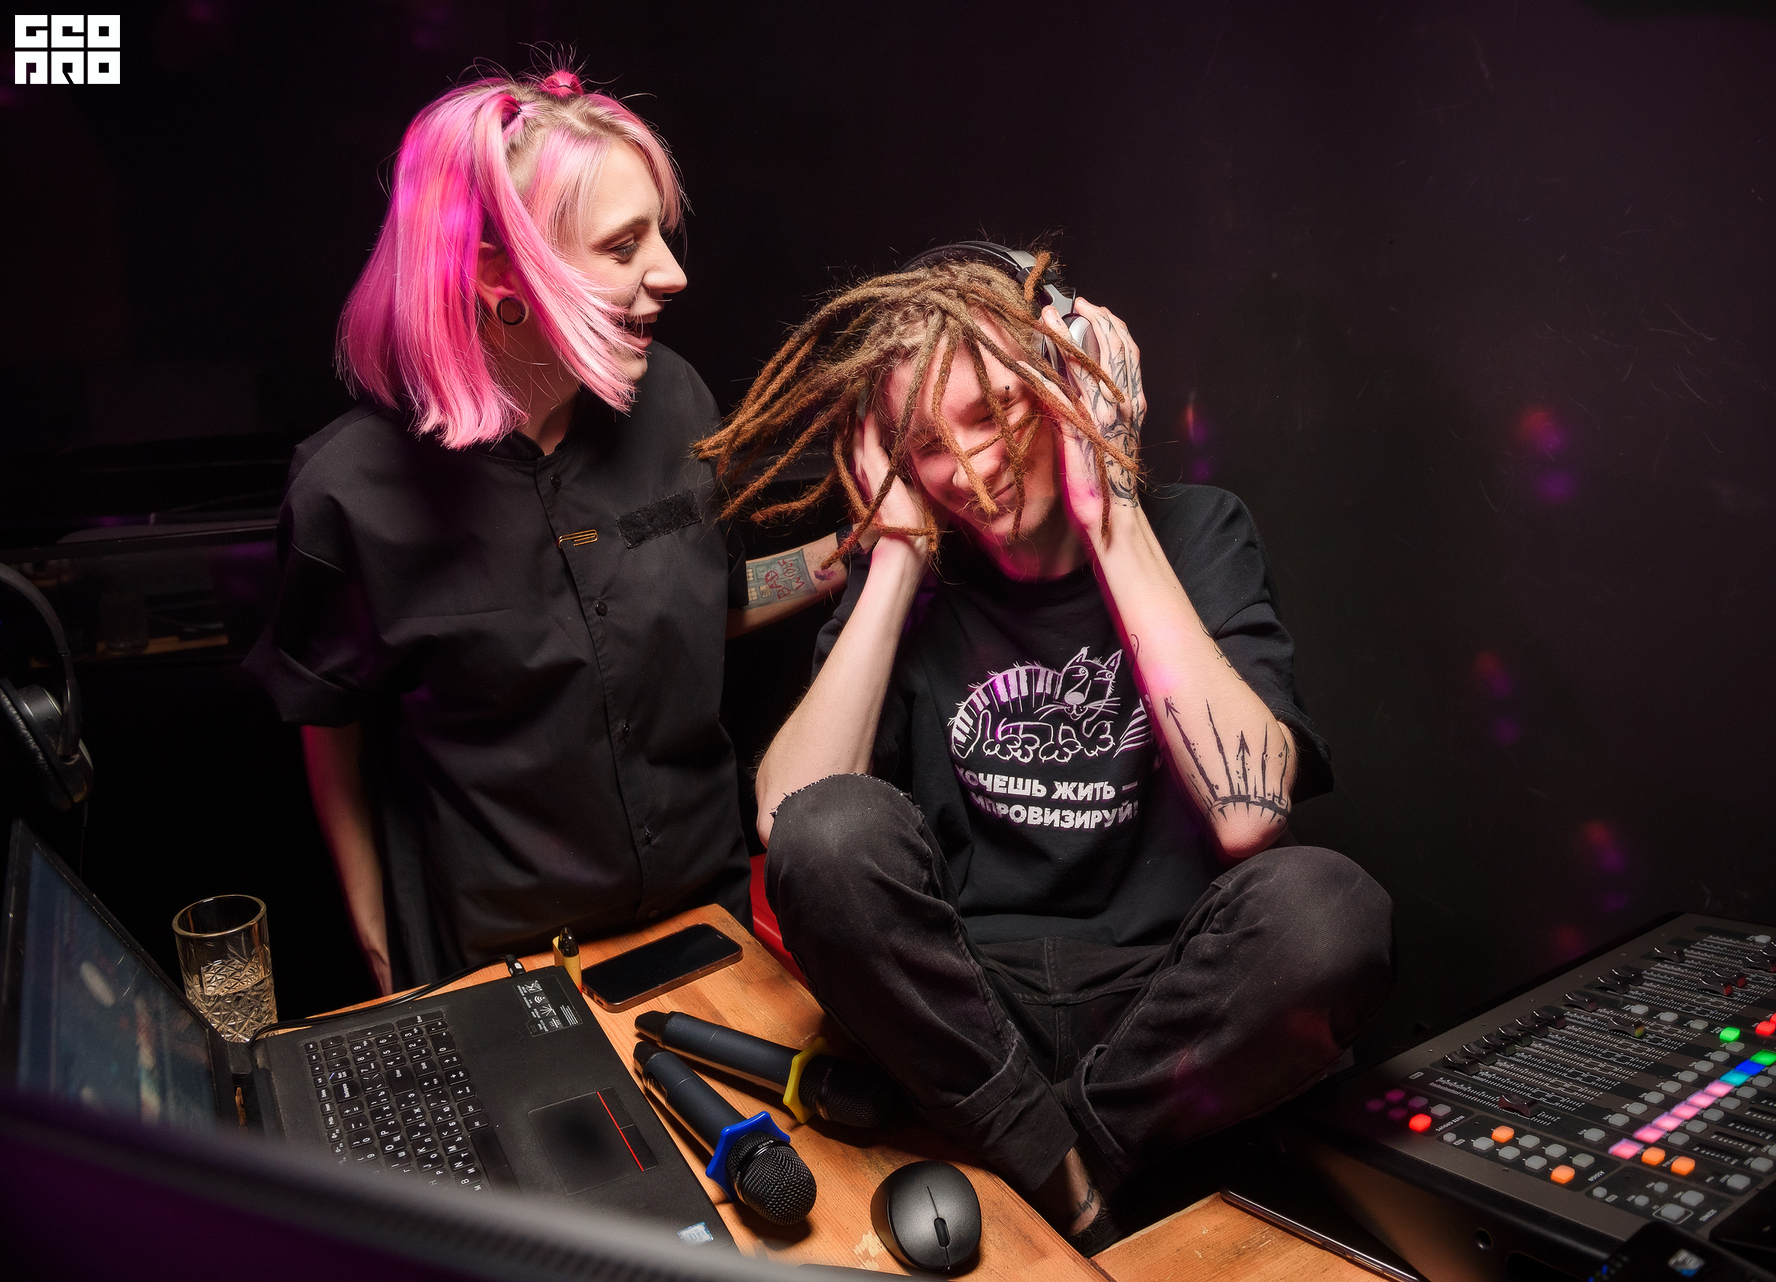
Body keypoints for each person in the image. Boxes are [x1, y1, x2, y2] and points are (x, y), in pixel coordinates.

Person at [695, 250, 1394, 1252]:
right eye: (928, 444)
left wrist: (1112, 513)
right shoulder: (921, 577)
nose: (974, 468)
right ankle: (1071, 1179)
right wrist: (894, 557)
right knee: (830, 832)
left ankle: (1055, 1161)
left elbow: (1251, 814)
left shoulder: (1199, 531)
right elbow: (792, 823)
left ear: (1070, 384)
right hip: (969, 1013)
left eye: (994, 414)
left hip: (1167, 1014)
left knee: (1331, 911)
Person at [245, 66, 852, 993]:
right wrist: (378, 950)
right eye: (623, 246)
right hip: (506, 963)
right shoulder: (351, 492)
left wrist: (870, 548)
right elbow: (333, 727)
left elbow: (718, 601)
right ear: (497, 272)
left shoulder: (676, 400)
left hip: (706, 925)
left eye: (661, 234)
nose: (672, 273)